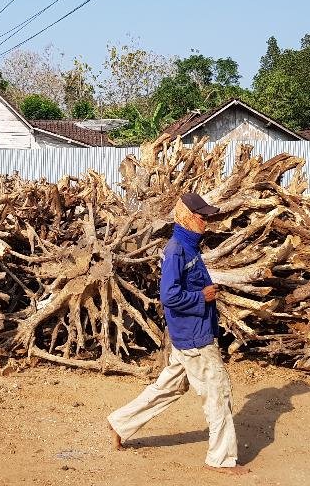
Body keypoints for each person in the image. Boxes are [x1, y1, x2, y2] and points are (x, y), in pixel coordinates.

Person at [107, 192, 250, 476]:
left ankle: (120, 423)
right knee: (217, 391)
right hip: (193, 337)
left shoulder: (190, 248)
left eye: (207, 217)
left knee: (170, 387)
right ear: (185, 217)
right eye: (201, 217)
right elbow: (169, 296)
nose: (206, 222)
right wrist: (202, 296)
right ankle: (221, 459)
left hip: (189, 334)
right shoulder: (177, 251)